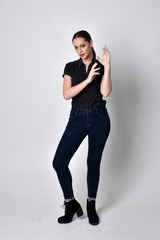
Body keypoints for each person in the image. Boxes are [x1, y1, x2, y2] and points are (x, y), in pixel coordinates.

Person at [52, 30, 112, 225]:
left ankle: (90, 204)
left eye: (83, 45)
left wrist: (108, 67)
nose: (80, 50)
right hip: (77, 118)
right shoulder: (71, 67)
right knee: (59, 162)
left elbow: (105, 92)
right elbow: (66, 94)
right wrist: (87, 80)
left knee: (93, 163)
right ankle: (70, 203)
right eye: (76, 47)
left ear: (91, 43)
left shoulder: (100, 65)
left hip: (99, 119)